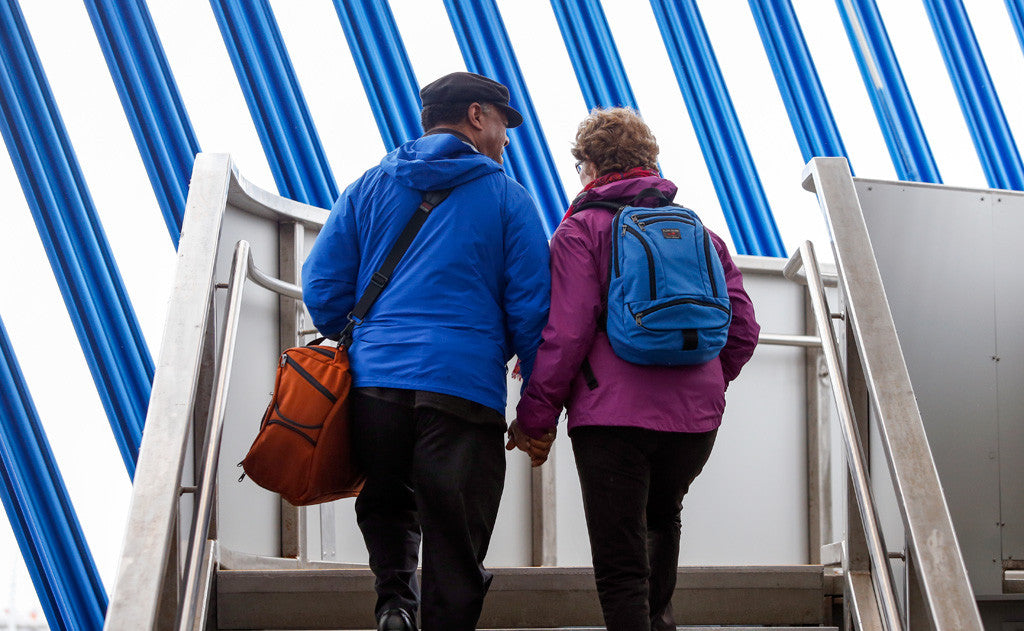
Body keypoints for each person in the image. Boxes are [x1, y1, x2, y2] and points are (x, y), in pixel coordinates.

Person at [302, 72, 551, 631]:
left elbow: (321, 283)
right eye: (503, 125)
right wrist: (536, 406)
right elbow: (534, 310)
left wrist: (367, 335)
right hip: (462, 389)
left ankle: (394, 603)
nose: (506, 140)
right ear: (477, 116)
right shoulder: (510, 199)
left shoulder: (368, 186)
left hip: (374, 387)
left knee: (388, 498)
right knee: (455, 526)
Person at [509, 107, 760, 631]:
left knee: (620, 559)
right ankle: (660, 622)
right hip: (694, 423)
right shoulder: (702, 234)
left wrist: (536, 419)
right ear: (649, 162)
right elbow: (743, 329)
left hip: (612, 421)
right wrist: (707, 383)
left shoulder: (582, 231)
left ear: (590, 168)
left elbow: (566, 335)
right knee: (662, 518)